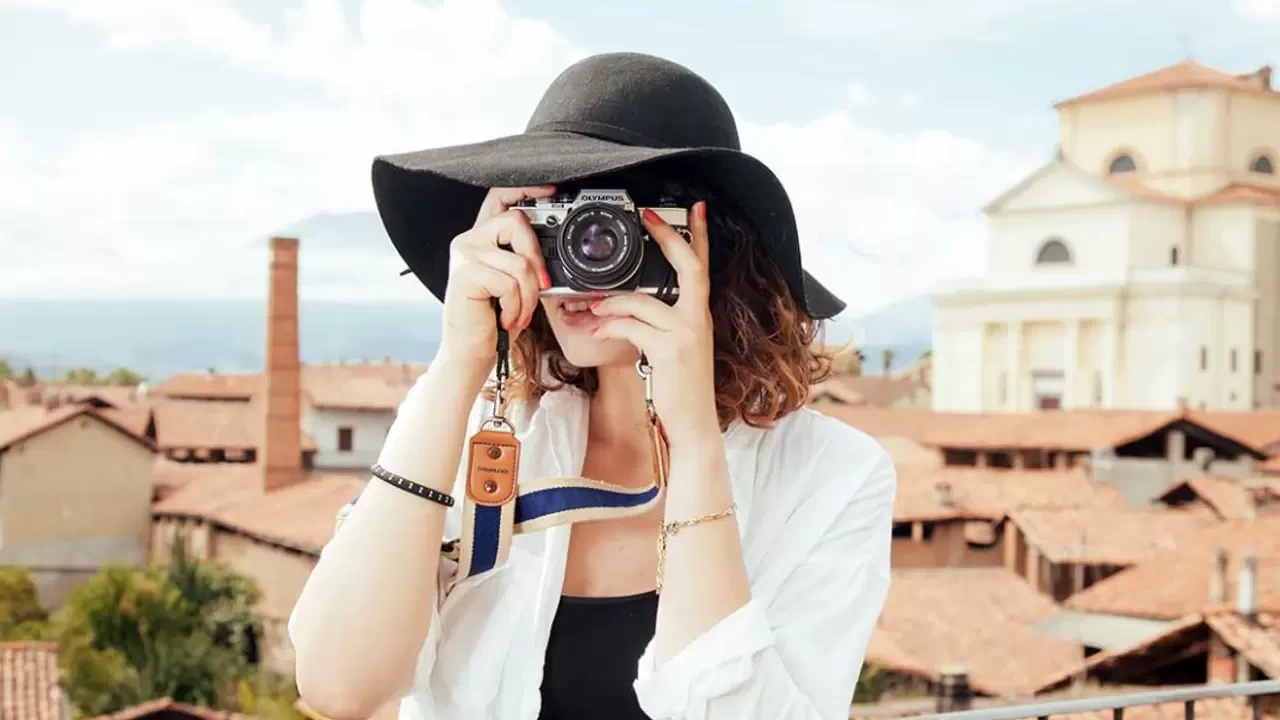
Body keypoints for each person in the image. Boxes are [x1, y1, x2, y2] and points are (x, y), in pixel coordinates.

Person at [288, 52, 896, 720]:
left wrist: (693, 441)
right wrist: (461, 359)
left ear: (709, 246)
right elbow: (339, 687)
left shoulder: (833, 478)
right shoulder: (473, 435)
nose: (586, 261)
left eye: (617, 229)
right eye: (557, 225)